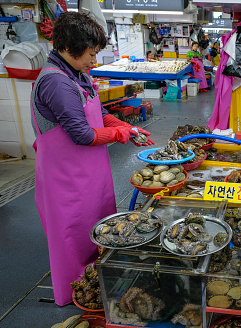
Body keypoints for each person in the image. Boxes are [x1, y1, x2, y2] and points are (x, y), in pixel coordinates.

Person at [30, 12, 154, 306]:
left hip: (88, 172)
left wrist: (125, 126)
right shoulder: (56, 82)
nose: (93, 61)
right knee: (72, 233)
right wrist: (120, 136)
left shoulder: (78, 74)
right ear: (70, 47)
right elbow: (82, 134)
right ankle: (76, 290)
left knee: (98, 224)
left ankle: (100, 276)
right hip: (66, 176)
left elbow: (99, 115)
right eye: (90, 54)